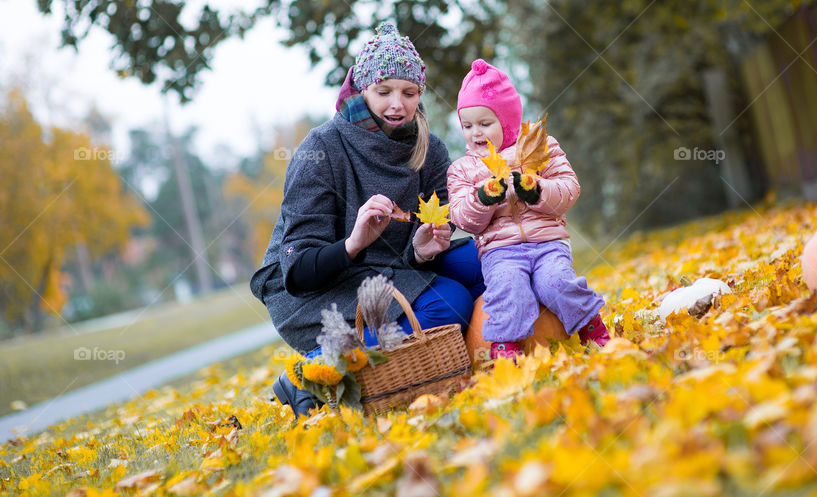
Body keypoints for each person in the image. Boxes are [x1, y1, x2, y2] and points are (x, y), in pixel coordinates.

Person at [250, 22, 484, 417]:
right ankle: (316, 368)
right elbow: (299, 270)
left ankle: (489, 351)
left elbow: (431, 229)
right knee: (450, 303)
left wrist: (423, 252)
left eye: (409, 93)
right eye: (384, 92)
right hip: (317, 284)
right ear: (361, 91)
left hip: (393, 267)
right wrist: (353, 242)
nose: (398, 105)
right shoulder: (321, 149)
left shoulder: (428, 147)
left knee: (487, 259)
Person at [446, 59, 610, 360]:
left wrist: (537, 191)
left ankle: (591, 325)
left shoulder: (540, 147)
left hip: (548, 243)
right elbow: (461, 217)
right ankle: (504, 347)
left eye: (485, 123)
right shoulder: (462, 169)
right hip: (500, 250)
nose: (475, 133)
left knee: (556, 282)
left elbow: (569, 189)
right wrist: (482, 199)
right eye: (467, 125)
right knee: (508, 287)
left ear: (507, 120)